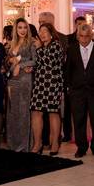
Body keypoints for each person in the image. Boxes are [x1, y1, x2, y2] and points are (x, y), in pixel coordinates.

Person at [65, 24, 94, 158]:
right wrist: (69, 87)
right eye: (81, 36)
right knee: (78, 120)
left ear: (91, 36)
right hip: (77, 91)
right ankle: (81, 147)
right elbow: (67, 70)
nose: (84, 39)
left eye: (87, 36)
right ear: (77, 36)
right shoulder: (72, 49)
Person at [30, 23, 65, 155]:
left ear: (51, 33)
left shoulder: (56, 45)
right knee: (36, 112)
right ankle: (37, 143)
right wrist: (31, 67)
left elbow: (50, 63)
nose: (42, 34)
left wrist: (39, 48)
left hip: (53, 83)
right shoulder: (41, 46)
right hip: (39, 83)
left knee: (53, 113)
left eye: (45, 31)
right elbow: (38, 63)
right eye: (40, 31)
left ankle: (55, 143)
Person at [5, 18, 35, 152]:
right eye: (20, 27)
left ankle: (24, 145)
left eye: (24, 27)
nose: (22, 30)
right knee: (13, 112)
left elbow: (35, 61)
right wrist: (10, 61)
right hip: (12, 80)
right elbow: (7, 62)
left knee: (23, 112)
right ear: (15, 29)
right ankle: (13, 144)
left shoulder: (31, 43)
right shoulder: (12, 44)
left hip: (25, 80)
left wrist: (20, 65)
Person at [62, 16, 87, 143]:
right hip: (72, 79)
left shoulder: (89, 38)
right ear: (75, 24)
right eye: (78, 23)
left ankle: (82, 135)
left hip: (85, 80)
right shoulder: (68, 39)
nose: (80, 25)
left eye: (83, 23)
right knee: (67, 109)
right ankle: (67, 134)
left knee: (83, 110)